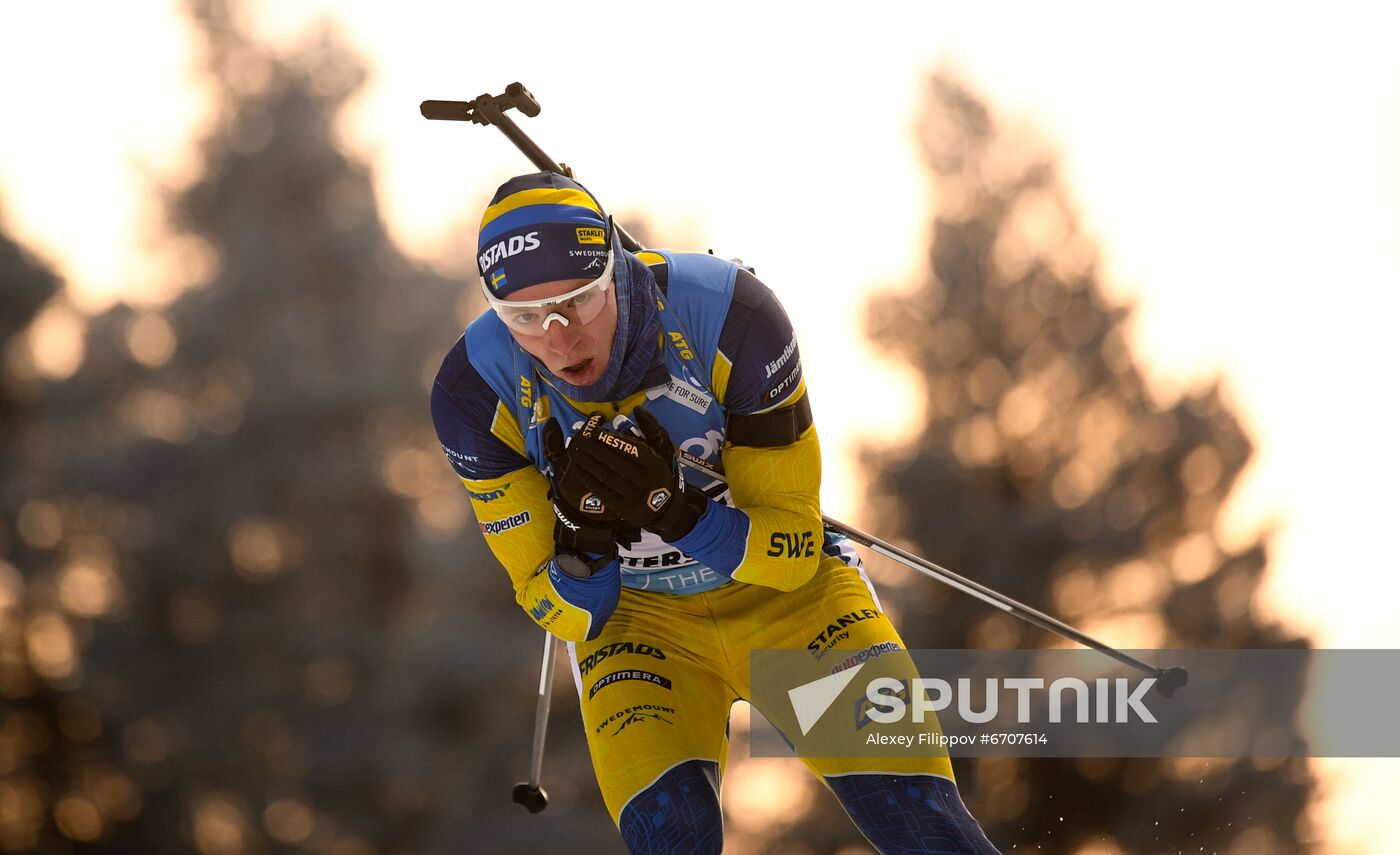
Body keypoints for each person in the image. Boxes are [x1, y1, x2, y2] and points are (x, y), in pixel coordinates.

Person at [431, 172, 999, 854]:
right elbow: (559, 609)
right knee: (672, 836)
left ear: (616, 265)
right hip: (642, 624)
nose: (558, 336)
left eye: (579, 301)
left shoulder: (733, 316)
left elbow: (790, 551)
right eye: (525, 316)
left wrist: (673, 511)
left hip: (794, 607)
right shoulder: (472, 391)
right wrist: (583, 542)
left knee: (926, 828)